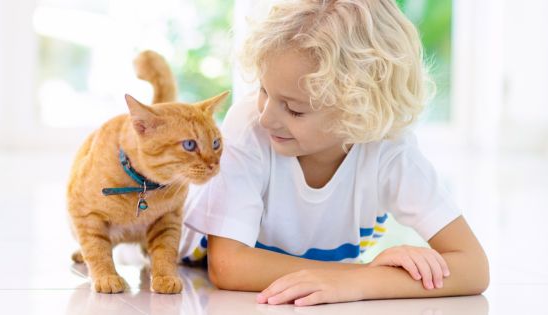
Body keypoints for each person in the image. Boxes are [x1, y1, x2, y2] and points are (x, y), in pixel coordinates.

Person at [179, 0, 489, 306]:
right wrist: (363, 274)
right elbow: (229, 266)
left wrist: (360, 282)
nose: (267, 117)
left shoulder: (391, 151)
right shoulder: (249, 127)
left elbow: (474, 267)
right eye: (263, 90)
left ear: (359, 111)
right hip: (192, 258)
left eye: (294, 109)